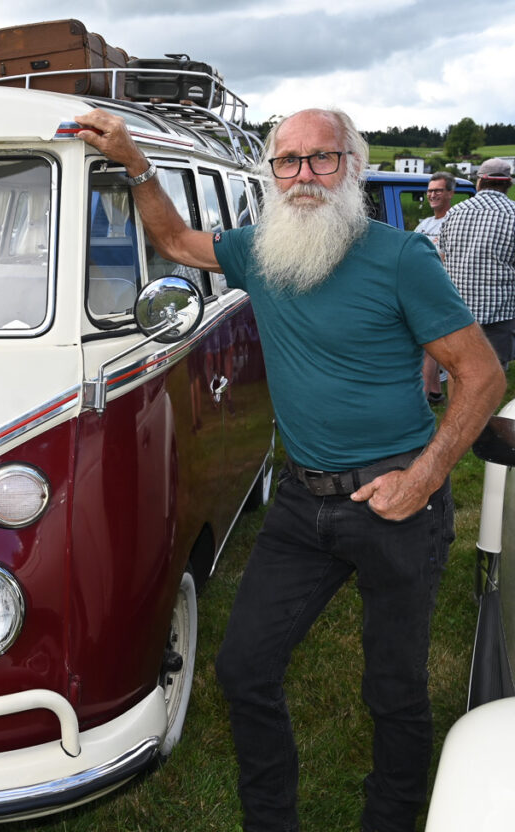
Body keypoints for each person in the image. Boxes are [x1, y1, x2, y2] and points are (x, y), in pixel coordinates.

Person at [75, 106, 505, 832]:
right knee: (244, 668)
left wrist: (426, 478)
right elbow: (175, 240)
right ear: (271, 172)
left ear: (352, 167)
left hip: (397, 500)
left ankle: (391, 819)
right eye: (287, 160)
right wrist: (136, 164)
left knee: (394, 688)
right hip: (304, 504)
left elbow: (483, 374)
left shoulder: (402, 257)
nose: (303, 175)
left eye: (321, 158)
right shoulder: (259, 252)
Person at [439, 157, 515, 369]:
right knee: (492, 374)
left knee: (458, 370)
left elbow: (442, 259)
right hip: (499, 314)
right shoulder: (513, 214)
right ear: (508, 183)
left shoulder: (454, 213)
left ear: (479, 181)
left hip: (457, 312)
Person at [414, 172, 457, 404]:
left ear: (450, 193)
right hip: (422, 289)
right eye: (430, 190)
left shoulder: (454, 222)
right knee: (429, 345)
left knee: (431, 345)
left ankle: (423, 397)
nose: (432, 194)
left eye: (438, 190)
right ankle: (435, 392)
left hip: (442, 291)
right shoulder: (425, 224)